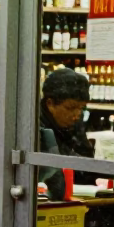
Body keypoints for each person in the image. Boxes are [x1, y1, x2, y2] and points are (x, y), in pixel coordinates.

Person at [39, 67, 94, 200]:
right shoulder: (36, 126)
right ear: (50, 104)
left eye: (81, 108)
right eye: (70, 108)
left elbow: (85, 158)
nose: (76, 115)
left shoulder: (73, 121)